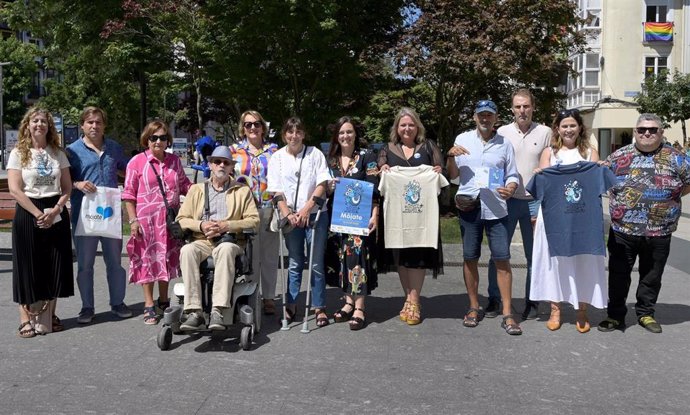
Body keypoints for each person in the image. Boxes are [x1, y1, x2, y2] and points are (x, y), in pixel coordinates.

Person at [598, 113, 690, 334]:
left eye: (652, 129)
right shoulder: (617, 157)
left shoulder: (677, 158)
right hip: (623, 231)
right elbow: (602, 183)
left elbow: (687, 184)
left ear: (661, 132)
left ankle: (645, 313)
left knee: (652, 275)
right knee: (618, 275)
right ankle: (615, 315)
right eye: (641, 130)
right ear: (634, 132)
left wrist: (669, 199)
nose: (647, 133)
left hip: (660, 231)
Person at [527, 108, 612, 333]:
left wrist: (600, 169)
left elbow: (598, 184)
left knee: (582, 262)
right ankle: (555, 310)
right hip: (554, 220)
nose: (568, 129)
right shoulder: (549, 153)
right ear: (557, 128)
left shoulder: (590, 153)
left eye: (572, 125)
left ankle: (581, 311)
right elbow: (542, 187)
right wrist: (539, 173)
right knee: (554, 264)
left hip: (582, 220)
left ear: (580, 128)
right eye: (564, 125)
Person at [446, 100, 522, 335]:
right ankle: (473, 306)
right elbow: (453, 176)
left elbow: (512, 175)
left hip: (497, 208)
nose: (485, 119)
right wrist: (449, 156)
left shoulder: (504, 144)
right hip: (470, 207)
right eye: (481, 115)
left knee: (502, 259)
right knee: (470, 257)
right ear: (474, 117)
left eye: (489, 115)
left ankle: (508, 312)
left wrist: (510, 188)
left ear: (496, 118)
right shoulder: (462, 139)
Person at [176, 146, 260, 331]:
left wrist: (227, 225)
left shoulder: (242, 191)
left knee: (225, 249)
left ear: (231, 167)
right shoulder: (196, 190)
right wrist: (201, 225)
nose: (221, 165)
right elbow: (181, 219)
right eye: (217, 162)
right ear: (210, 165)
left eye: (226, 162)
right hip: (202, 240)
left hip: (231, 241)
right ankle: (194, 311)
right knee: (187, 250)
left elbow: (254, 221)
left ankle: (218, 310)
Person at [485, 89, 552, 320]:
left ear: (533, 107)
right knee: (499, 253)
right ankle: (494, 299)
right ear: (512, 109)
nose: (522, 111)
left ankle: (532, 301)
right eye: (518, 107)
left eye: (526, 106)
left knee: (535, 255)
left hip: (534, 201)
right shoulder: (502, 132)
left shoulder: (545, 132)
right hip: (507, 201)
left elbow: (551, 165)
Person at [8, 107, 74, 338]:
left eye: (44, 121)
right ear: (27, 125)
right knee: (27, 265)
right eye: (35, 121)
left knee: (55, 263)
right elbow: (15, 190)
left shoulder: (57, 152)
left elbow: (66, 187)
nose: (39, 125)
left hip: (54, 209)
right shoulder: (18, 152)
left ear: (49, 126)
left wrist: (56, 209)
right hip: (29, 212)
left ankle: (49, 314)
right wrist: (37, 214)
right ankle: (25, 318)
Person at [378, 107, 445, 326]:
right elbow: (378, 173)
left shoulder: (428, 147)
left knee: (418, 258)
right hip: (397, 219)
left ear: (418, 127)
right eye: (403, 125)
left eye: (411, 124)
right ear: (397, 128)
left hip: (420, 218)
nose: (407, 128)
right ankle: (408, 297)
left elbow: (441, 174)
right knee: (401, 258)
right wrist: (383, 168)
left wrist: (436, 172)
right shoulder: (387, 149)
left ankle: (415, 301)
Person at [122, 120, 192, 325]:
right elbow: (128, 194)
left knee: (166, 259)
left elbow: (184, 184)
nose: (158, 141)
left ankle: (164, 300)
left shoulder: (174, 161)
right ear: (147, 139)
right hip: (146, 221)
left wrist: (205, 190)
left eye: (162, 137)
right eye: (154, 137)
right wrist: (133, 220)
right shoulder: (136, 162)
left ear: (167, 140)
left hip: (168, 220)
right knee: (148, 260)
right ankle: (149, 304)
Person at [67, 106, 131, 324]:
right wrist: (77, 183)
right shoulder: (72, 151)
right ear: (82, 125)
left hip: (110, 215)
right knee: (85, 264)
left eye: (98, 122)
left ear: (104, 125)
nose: (94, 126)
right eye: (90, 122)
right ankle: (87, 307)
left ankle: (117, 302)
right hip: (85, 217)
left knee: (115, 261)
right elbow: (63, 182)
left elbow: (128, 170)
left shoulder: (114, 147)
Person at [266, 117, 331, 326]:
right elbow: (276, 189)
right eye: (290, 132)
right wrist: (288, 213)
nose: (294, 136)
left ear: (304, 134)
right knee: (294, 261)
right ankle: (291, 304)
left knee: (316, 262)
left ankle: (319, 306)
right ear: (284, 134)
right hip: (290, 217)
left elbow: (323, 183)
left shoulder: (315, 154)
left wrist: (305, 210)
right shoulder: (277, 157)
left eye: (298, 132)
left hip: (314, 215)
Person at [325, 116, 379, 330]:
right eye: (341, 133)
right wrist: (329, 186)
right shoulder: (330, 160)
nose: (345, 136)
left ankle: (359, 307)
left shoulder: (368, 157)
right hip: (337, 219)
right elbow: (324, 188)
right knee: (342, 259)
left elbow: (375, 188)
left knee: (357, 260)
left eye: (349, 132)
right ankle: (348, 301)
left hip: (359, 220)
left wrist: (375, 215)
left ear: (355, 134)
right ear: (336, 137)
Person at [231, 110, 279, 315]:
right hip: (245, 211)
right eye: (248, 124)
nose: (252, 128)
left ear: (263, 127)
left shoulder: (274, 151)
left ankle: (268, 296)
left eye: (256, 124)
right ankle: (252, 295)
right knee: (250, 256)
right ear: (243, 128)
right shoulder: (233, 151)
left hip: (269, 208)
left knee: (269, 256)